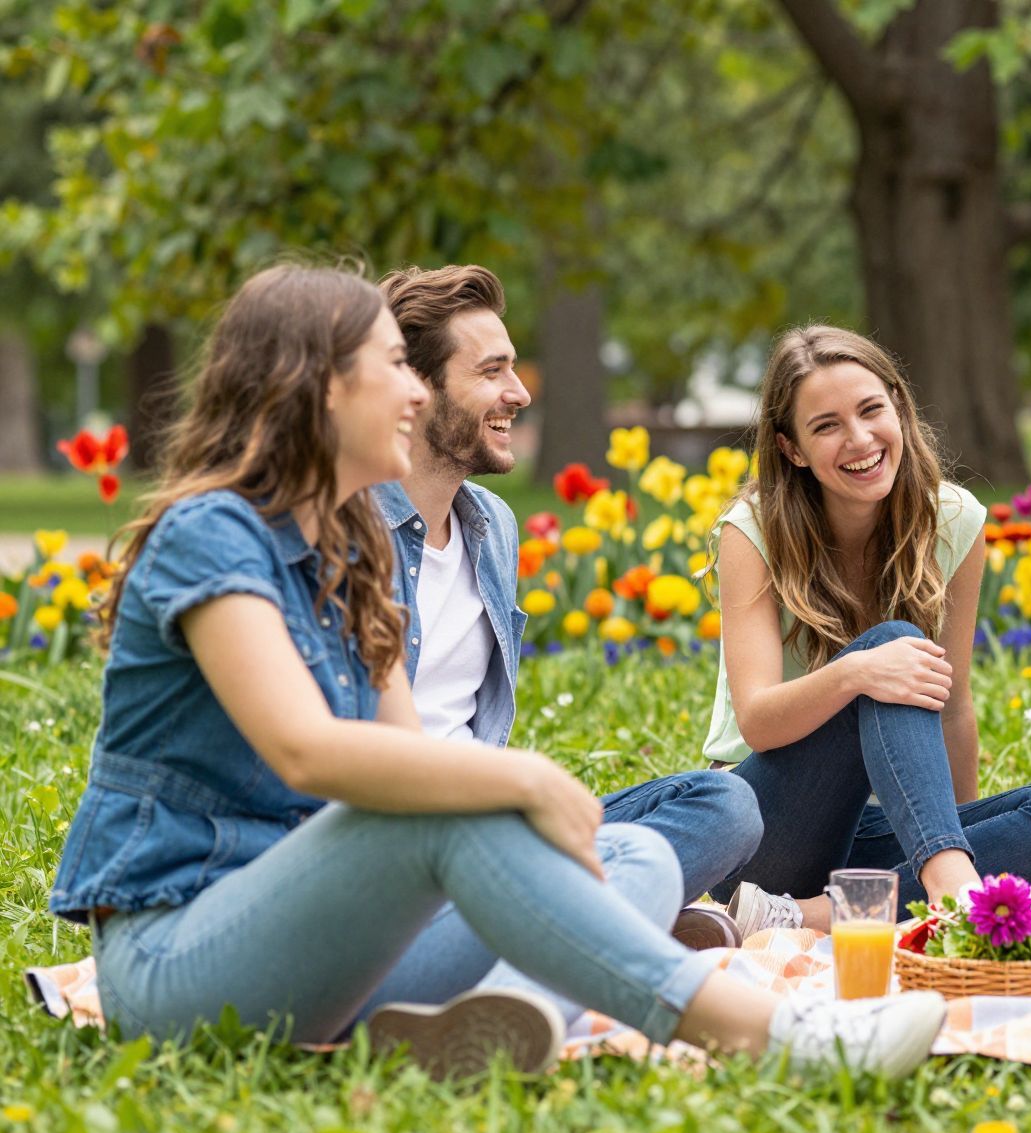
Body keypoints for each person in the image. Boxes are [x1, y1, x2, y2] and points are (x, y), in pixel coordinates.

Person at [48, 265, 945, 1081]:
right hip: (181, 966)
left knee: (629, 855)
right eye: (395, 365)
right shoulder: (215, 535)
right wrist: (513, 777)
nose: (412, 391)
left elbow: (405, 753)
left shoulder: (351, 554)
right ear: (320, 387)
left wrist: (509, 810)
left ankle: (453, 1031)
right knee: (455, 810)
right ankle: (774, 1037)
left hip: (335, 956)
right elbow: (306, 752)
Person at [372, 264, 759, 949]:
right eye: (492, 372)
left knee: (725, 805)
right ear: (417, 389)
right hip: (390, 851)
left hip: (496, 833)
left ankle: (558, 920)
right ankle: (603, 920)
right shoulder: (345, 532)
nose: (518, 393)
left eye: (514, 369)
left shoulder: (492, 527)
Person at [705, 325, 1031, 933]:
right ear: (791, 449)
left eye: (871, 410)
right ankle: (949, 898)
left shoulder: (953, 520)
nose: (859, 439)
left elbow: (952, 706)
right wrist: (857, 672)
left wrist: (954, 834)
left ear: (898, 404)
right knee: (893, 648)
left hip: (872, 828)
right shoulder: (753, 531)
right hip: (764, 823)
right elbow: (756, 718)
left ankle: (807, 917)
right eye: (826, 425)